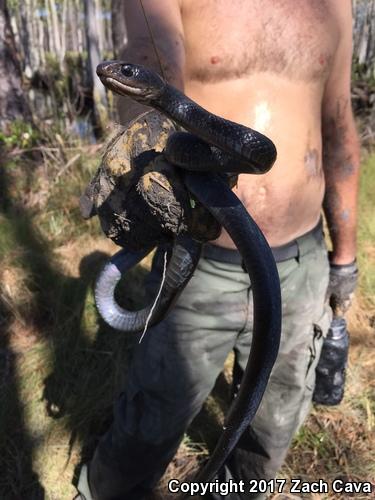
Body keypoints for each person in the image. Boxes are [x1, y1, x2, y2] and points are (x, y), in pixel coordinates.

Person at [75, 0, 360, 498]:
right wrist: (149, 135)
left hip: (301, 266)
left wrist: (345, 259)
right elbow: (149, 56)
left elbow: (338, 126)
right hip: (198, 261)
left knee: (271, 424)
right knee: (152, 418)